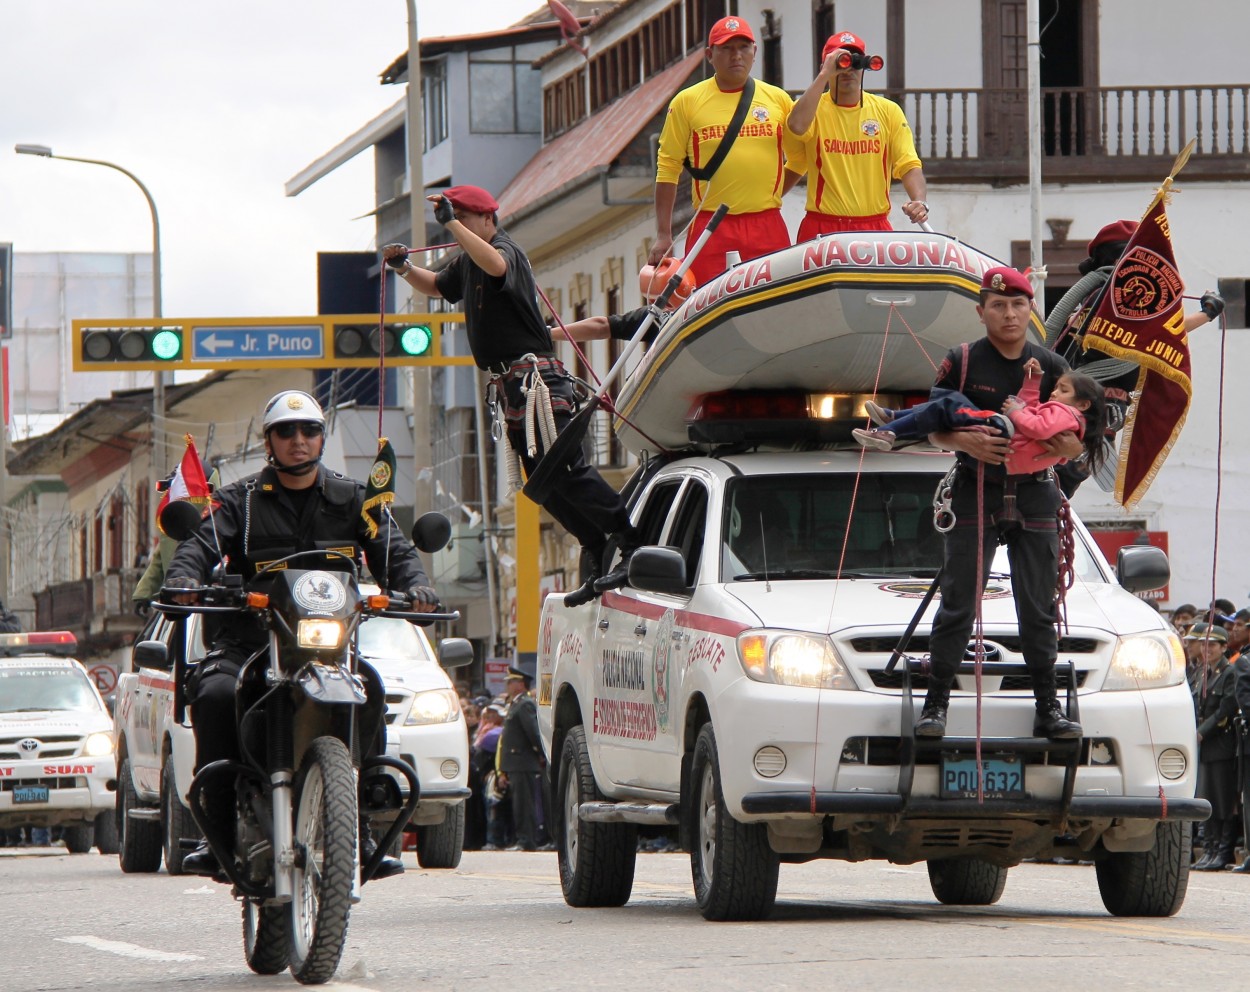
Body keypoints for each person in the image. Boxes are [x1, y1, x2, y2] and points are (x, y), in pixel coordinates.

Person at [164, 389, 439, 879]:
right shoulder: (237, 501)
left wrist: (416, 586)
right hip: (252, 640)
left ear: (322, 438)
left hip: (329, 644)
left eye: (309, 430)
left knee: (369, 688)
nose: (298, 441)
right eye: (286, 432)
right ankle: (220, 826)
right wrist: (185, 578)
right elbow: (199, 544)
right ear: (269, 442)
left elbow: (394, 550)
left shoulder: (355, 498)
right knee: (215, 691)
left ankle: (362, 818)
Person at [384, 185, 640, 608]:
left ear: (487, 219)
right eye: (456, 220)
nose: (459, 228)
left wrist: (448, 223)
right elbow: (437, 286)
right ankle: (596, 548)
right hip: (512, 387)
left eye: (464, 220)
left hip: (537, 381)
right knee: (542, 484)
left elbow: (496, 265)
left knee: (565, 469)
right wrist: (403, 267)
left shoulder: (506, 251)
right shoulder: (469, 261)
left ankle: (630, 541)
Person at [914, 266, 1084, 741]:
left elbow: (1078, 434)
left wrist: (1070, 447)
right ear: (981, 310)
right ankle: (935, 707)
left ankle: (1048, 708)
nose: (1009, 314)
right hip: (975, 487)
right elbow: (932, 424)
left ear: (1032, 310)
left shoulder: (1052, 366)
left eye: (1019, 305)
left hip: (1035, 495)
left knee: (1038, 606)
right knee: (958, 605)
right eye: (998, 305)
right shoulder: (962, 360)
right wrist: (963, 441)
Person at [1047, 219, 1224, 495]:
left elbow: (1157, 332)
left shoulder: (1101, 295)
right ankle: (1057, 486)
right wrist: (1206, 314)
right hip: (1095, 397)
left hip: (1100, 397)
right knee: (1079, 457)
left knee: (1078, 456)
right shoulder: (1117, 297)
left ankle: (1058, 486)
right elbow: (1164, 333)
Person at [649, 16, 801, 286]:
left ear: (755, 52)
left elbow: (800, 159)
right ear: (710, 55)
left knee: (774, 302)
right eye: (726, 48)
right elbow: (668, 167)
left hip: (766, 223)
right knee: (707, 302)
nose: (736, 56)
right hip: (711, 225)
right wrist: (663, 234)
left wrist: (770, 194)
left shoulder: (777, 99)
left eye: (743, 47)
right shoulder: (687, 102)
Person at [855, 359, 1108, 481]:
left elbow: (1037, 428)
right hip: (1009, 441)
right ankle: (893, 420)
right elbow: (1032, 411)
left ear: (1083, 404)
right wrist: (1032, 383)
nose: (1053, 393)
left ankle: (890, 431)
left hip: (1005, 433)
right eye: (1056, 388)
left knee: (948, 403)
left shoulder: (1066, 415)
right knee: (946, 407)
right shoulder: (1065, 416)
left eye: (1063, 390)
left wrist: (1014, 413)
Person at [784, 31, 928, 239]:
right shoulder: (812, 109)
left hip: (874, 224)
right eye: (841, 62)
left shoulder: (888, 111)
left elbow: (909, 164)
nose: (848, 69)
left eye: (856, 62)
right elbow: (796, 126)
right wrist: (824, 75)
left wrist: (919, 200)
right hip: (823, 226)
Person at [1188, 622, 1240, 870]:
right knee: (1205, 798)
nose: (1207, 649)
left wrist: (1202, 732)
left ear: (1223, 647)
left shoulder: (1228, 673)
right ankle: (1208, 849)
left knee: (1222, 799)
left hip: (1220, 744)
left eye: (1213, 645)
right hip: (1204, 746)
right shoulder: (1202, 673)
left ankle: (1222, 850)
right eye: (1204, 644)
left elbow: (1226, 709)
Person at [495, 660, 544, 851]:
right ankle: (523, 839)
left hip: (523, 761)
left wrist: (541, 753)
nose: (508, 685)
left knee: (525, 805)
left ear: (521, 684)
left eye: (511, 681)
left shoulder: (524, 705)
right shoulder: (516, 704)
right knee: (519, 804)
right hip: (516, 763)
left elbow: (533, 732)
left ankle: (527, 841)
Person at [471, 704, 508, 850]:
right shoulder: (483, 730)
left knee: (494, 809)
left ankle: (495, 840)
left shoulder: (496, 733)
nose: (490, 717)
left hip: (494, 774)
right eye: (488, 714)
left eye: (494, 714)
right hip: (486, 776)